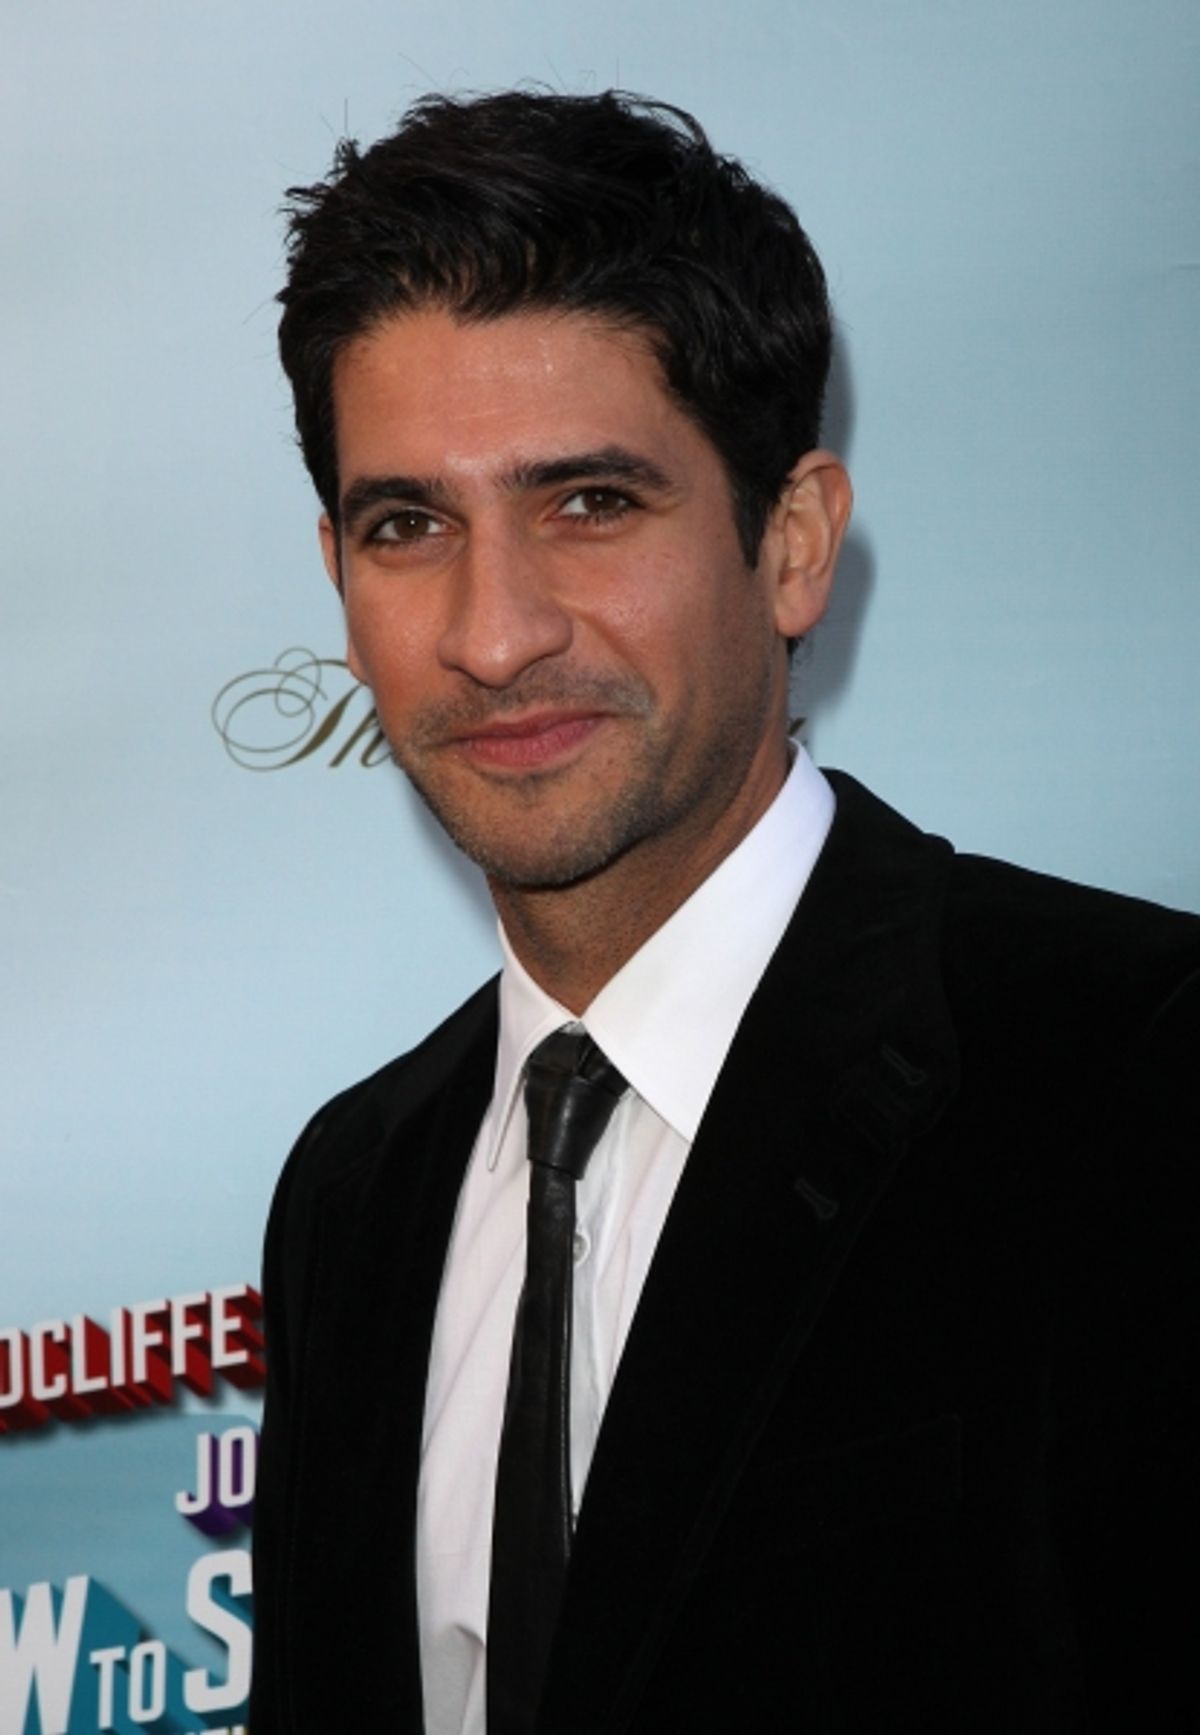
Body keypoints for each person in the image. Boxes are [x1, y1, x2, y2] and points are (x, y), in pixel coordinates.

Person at [250, 90, 1199, 1735]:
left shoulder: (1130, 1070)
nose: (493, 634)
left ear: (795, 543)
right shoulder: (353, 1190)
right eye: (411, 527)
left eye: (590, 504)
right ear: (339, 579)